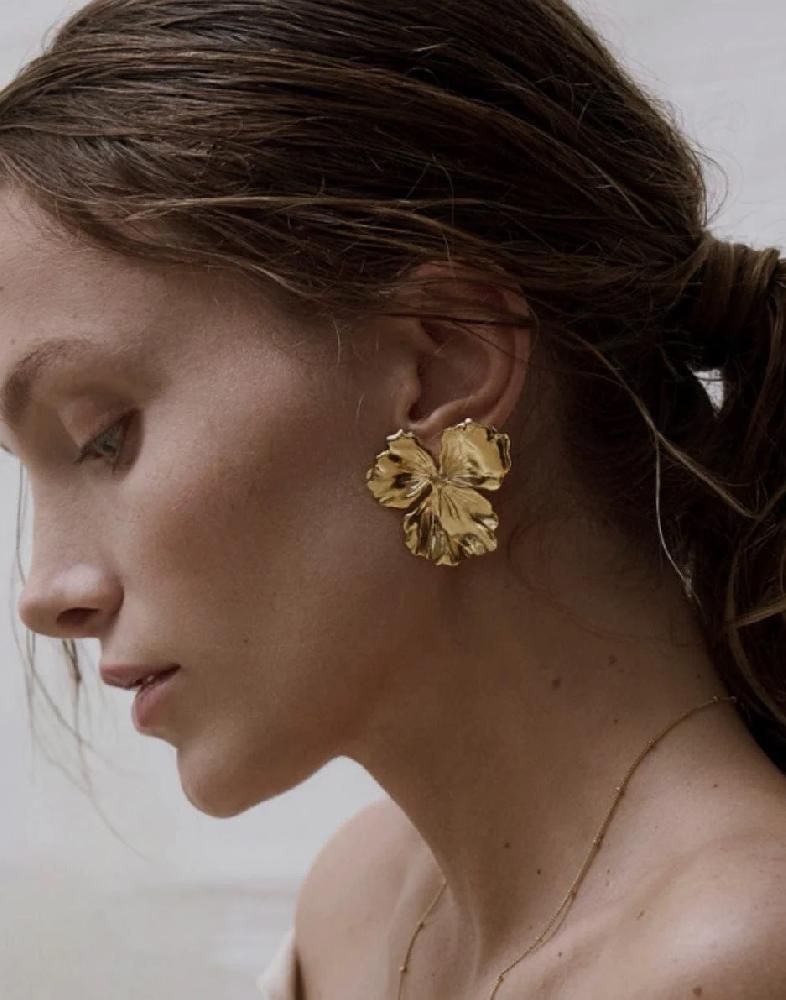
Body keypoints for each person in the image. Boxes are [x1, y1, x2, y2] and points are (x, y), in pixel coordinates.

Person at [1, 1, 785, 998]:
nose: (43, 594)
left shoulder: (731, 957)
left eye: (101, 436)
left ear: (445, 364)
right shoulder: (356, 902)